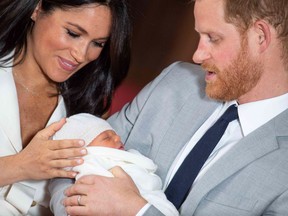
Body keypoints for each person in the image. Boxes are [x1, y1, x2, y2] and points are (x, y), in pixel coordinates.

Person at [50, 0, 288, 215]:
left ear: (260, 36)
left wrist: (137, 211)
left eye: (213, 38)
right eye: (199, 36)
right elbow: (70, 167)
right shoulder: (175, 81)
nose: (197, 55)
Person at [0, 0, 131, 215]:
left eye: (98, 43)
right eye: (73, 33)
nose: (81, 55)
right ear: (37, 9)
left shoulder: (87, 112)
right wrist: (20, 165)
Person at [50, 113, 179, 216]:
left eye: (115, 135)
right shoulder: (90, 162)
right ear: (83, 150)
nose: (117, 138)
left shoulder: (128, 156)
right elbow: (95, 190)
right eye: (107, 138)